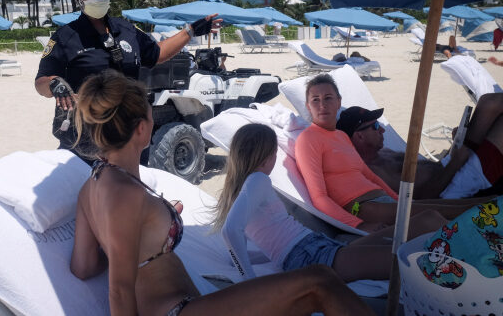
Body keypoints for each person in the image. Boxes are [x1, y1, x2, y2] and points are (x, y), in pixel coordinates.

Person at [70, 70, 375, 316]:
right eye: (151, 117)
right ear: (140, 129)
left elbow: (83, 268)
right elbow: (119, 289)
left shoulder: (94, 187)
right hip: (177, 309)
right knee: (319, 280)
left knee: (308, 293)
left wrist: (129, 239)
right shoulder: (124, 193)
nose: (153, 122)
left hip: (189, 305)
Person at [34, 0, 221, 164]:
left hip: (128, 133)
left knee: (130, 190)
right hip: (84, 140)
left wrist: (190, 31)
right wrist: (54, 84)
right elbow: (41, 82)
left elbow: (156, 54)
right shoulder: (65, 37)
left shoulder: (126, 29)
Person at [213, 123, 446, 283]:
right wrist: (249, 281)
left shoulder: (241, 191)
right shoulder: (258, 180)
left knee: (425, 223)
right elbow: (230, 232)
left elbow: (259, 240)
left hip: (315, 247)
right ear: (268, 155)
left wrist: (252, 260)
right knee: (407, 259)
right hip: (309, 255)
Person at [294, 74, 485, 231]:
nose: (322, 105)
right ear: (308, 106)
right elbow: (319, 197)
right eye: (315, 100)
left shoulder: (341, 137)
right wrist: (359, 225)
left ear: (338, 102)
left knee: (457, 207)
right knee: (442, 213)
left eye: (328, 98)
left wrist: (400, 203)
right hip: (362, 207)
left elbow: (370, 177)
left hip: (382, 199)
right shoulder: (308, 139)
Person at [339, 95, 503, 200]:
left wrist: (454, 148)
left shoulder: (382, 152)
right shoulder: (374, 172)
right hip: (458, 187)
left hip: (451, 166)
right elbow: (424, 197)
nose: (382, 129)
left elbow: (428, 171)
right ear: (359, 135)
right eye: (375, 126)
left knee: (489, 102)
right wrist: (456, 162)